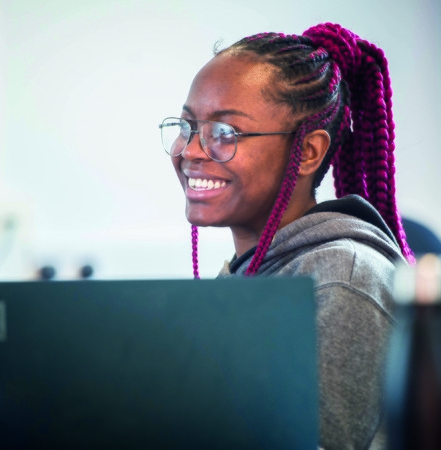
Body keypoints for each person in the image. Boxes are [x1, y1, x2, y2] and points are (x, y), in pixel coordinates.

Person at [160, 22, 414, 450]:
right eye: (187, 126)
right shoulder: (255, 271)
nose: (190, 151)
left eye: (225, 133)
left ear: (309, 151)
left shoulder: (341, 279)